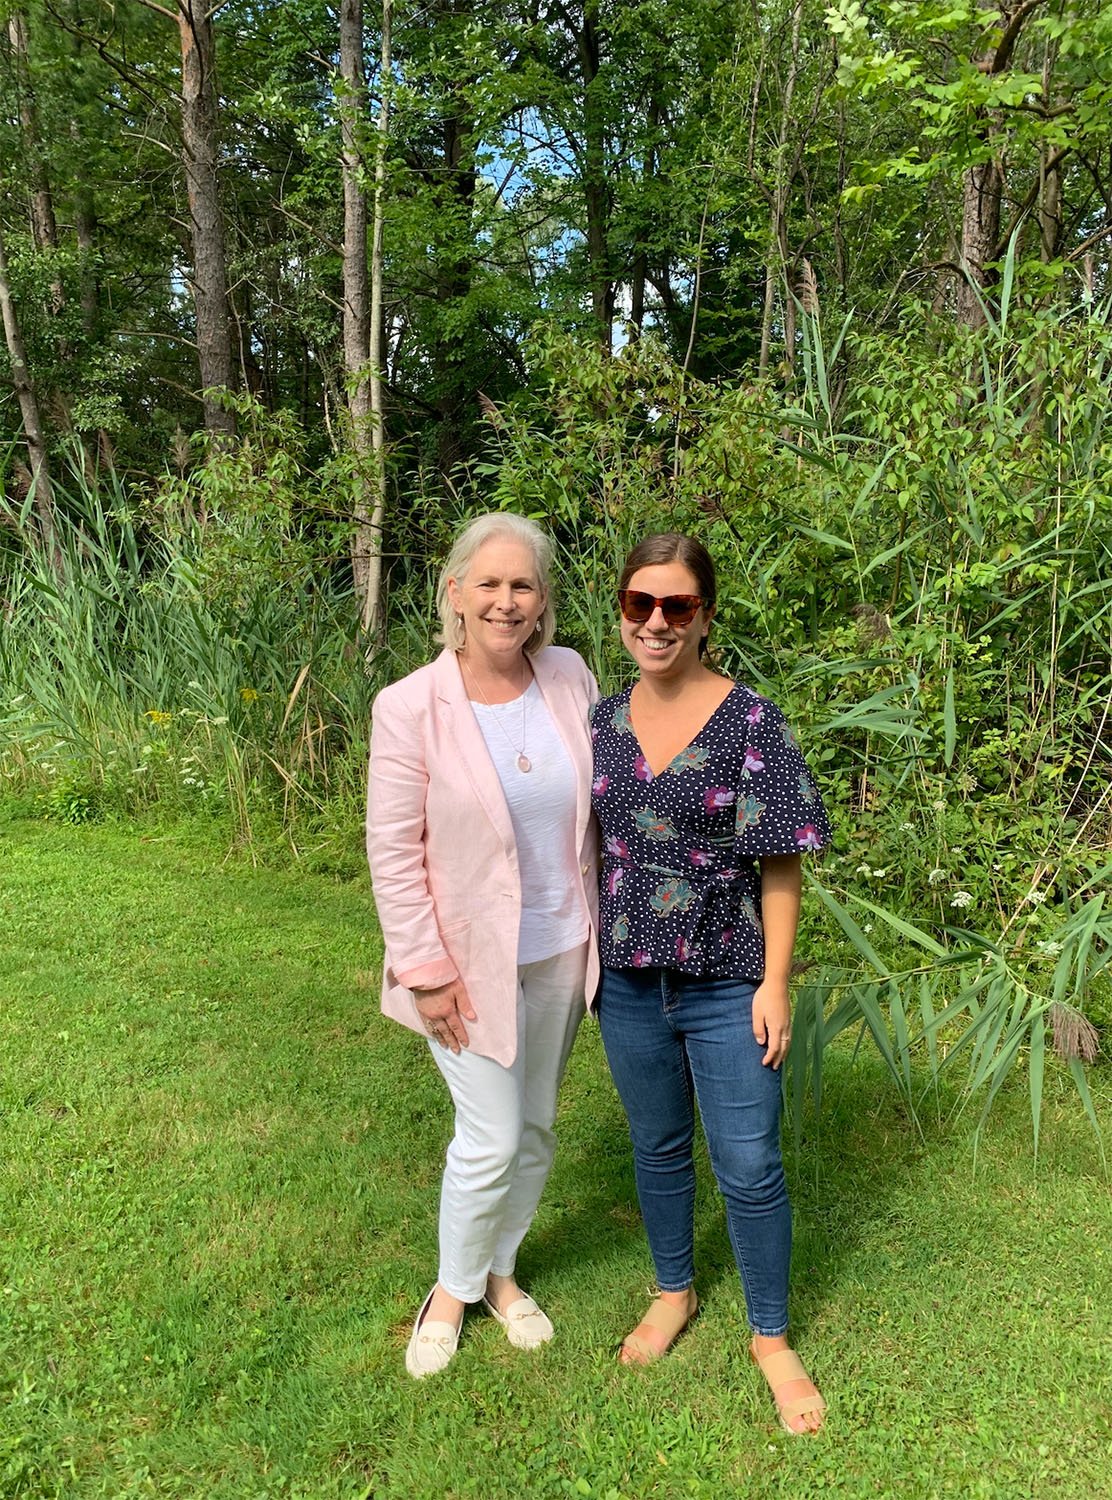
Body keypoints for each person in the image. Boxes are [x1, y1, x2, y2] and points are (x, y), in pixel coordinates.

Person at [590, 532, 832, 1434]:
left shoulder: (751, 721)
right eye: (641, 604)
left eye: (677, 606)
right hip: (627, 982)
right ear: (621, 612)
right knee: (655, 1149)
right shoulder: (601, 725)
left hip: (729, 980)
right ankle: (674, 1290)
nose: (658, 622)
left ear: (705, 615)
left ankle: (770, 1336)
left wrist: (776, 983)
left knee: (749, 1165)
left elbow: (780, 864)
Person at [366, 512, 599, 1378]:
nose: (507, 602)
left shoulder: (570, 676)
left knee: (535, 1127)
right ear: (455, 592)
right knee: (491, 1135)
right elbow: (393, 851)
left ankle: (503, 1273)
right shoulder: (410, 705)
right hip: (463, 965)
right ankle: (451, 1290)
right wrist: (424, 972)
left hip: (563, 947)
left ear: (543, 602)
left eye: (525, 585)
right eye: (490, 584)